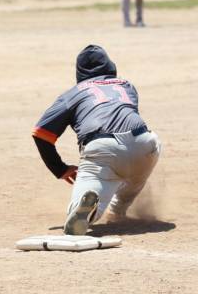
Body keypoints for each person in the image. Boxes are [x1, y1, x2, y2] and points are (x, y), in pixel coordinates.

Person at [31, 45, 162, 235]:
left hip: (102, 148)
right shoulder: (126, 85)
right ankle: (117, 212)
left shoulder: (73, 93)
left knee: (87, 197)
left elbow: (41, 133)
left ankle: (88, 208)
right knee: (133, 176)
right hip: (144, 144)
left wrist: (60, 169)